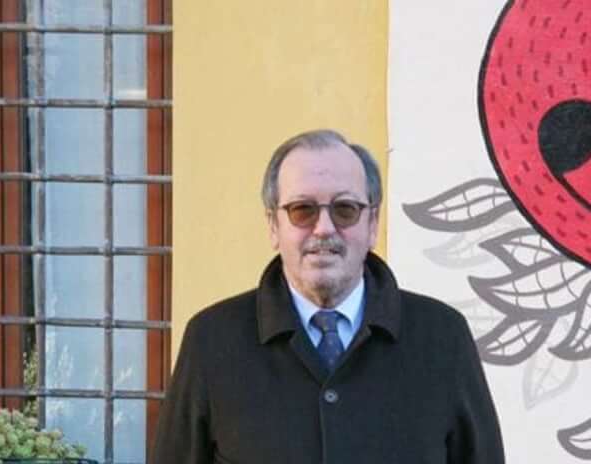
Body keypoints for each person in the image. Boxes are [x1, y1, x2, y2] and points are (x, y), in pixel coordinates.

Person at [152, 129, 505, 464]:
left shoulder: (443, 338)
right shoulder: (212, 341)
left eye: (345, 209)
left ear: (372, 224)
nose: (323, 229)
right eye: (302, 210)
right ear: (273, 226)